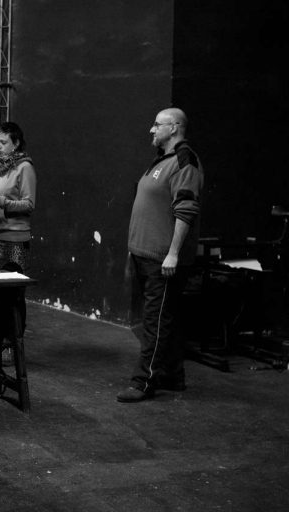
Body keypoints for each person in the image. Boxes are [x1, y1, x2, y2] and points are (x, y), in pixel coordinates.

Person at [117, 107, 204, 403]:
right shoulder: (163, 161)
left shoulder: (185, 161)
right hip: (145, 256)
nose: (151, 130)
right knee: (168, 319)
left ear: (175, 127)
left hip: (162, 260)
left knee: (154, 323)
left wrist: (173, 254)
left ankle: (144, 381)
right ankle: (173, 374)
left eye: (157, 125)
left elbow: (186, 209)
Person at [0, 121, 36, 366]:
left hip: (13, 241)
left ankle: (13, 349)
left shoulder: (24, 168)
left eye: (4, 142)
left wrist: (3, 202)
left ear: (16, 143)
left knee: (13, 299)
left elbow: (29, 204)